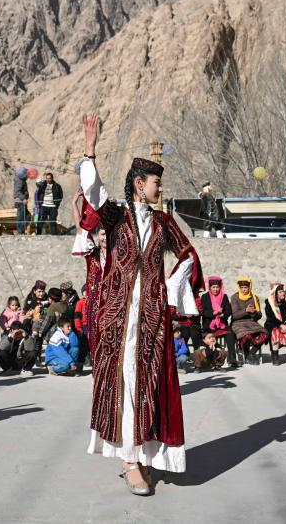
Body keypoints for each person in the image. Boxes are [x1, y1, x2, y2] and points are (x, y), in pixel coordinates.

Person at [79, 113, 203, 494]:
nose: (159, 188)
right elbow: (93, 192)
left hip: (151, 318)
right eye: (155, 182)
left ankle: (144, 453)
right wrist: (89, 151)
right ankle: (129, 459)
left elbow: (188, 256)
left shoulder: (165, 222)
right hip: (116, 318)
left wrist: (168, 285)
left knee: (149, 385)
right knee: (123, 383)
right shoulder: (115, 217)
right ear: (138, 183)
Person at [72, 189, 107, 362]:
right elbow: (80, 228)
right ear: (98, 236)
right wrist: (74, 204)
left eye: (107, 234)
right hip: (94, 302)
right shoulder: (92, 255)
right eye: (102, 234)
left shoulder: (118, 256)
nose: (105, 237)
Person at [199, 276, 240, 369]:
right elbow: (203, 312)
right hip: (209, 325)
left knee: (230, 334)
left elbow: (228, 311)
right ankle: (208, 360)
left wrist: (223, 315)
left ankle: (232, 359)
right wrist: (213, 313)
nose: (216, 289)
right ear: (210, 287)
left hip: (221, 324)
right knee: (207, 338)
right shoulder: (205, 297)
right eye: (213, 287)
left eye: (217, 287)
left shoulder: (224, 297)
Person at [229, 276, 267, 365]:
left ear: (249, 287)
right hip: (238, 322)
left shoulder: (254, 298)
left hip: (251, 322)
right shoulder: (234, 297)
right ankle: (245, 353)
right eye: (242, 287)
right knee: (247, 335)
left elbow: (259, 315)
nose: (244, 290)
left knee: (265, 333)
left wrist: (254, 313)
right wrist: (246, 310)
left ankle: (250, 354)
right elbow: (235, 315)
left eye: (245, 287)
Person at [264, 284, 286, 365]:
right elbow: (270, 318)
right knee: (274, 332)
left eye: (283, 291)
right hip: (274, 325)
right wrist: (280, 325)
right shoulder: (270, 303)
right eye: (280, 292)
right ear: (275, 294)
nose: (283, 293)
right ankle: (275, 356)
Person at [13, 167, 30, 235]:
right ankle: (20, 232)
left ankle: (21, 230)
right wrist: (23, 198)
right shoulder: (19, 181)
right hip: (20, 202)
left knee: (27, 216)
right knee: (20, 217)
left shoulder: (22, 181)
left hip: (22, 201)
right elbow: (17, 192)